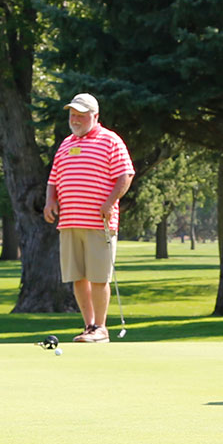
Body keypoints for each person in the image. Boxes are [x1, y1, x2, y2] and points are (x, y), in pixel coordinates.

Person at [44, 93, 135, 343]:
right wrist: (50, 201)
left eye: (81, 116)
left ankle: (101, 328)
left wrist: (109, 202)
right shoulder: (65, 144)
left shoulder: (110, 141)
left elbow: (125, 175)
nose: (75, 119)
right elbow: (53, 179)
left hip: (98, 223)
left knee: (98, 277)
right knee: (78, 277)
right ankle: (89, 326)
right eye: (73, 115)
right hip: (70, 221)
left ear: (95, 116)